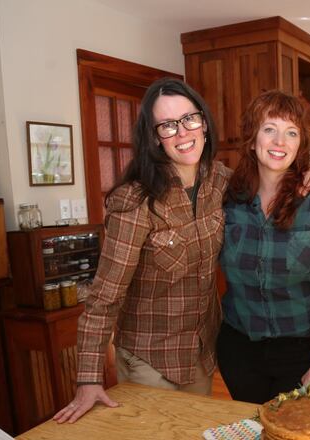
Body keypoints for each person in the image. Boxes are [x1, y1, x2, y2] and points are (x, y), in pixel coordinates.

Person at [53, 77, 230, 423]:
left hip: (200, 354)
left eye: (189, 119)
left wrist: (305, 179)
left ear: (204, 123)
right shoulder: (135, 202)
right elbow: (104, 296)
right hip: (149, 360)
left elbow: (268, 183)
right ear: (154, 137)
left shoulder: (219, 181)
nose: (182, 132)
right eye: (167, 125)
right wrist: (88, 378)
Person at [217, 90, 310, 404]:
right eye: (269, 129)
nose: (280, 141)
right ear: (252, 139)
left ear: (301, 145)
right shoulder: (228, 200)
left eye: (291, 133)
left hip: (300, 355)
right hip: (239, 350)